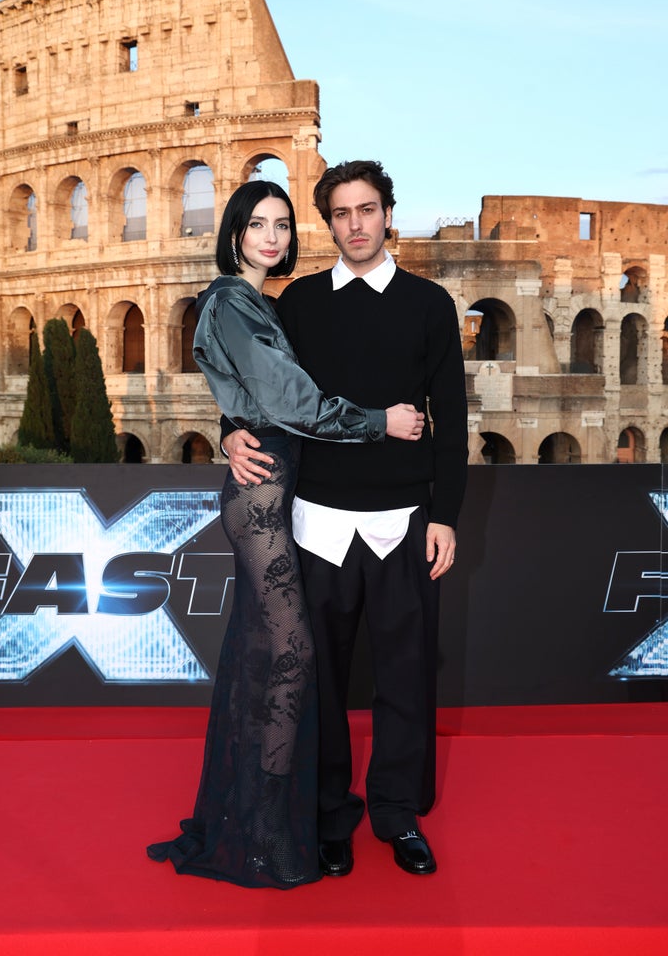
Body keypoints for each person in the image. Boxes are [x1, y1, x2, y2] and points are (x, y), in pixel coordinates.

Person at [147, 179, 424, 889]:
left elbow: (245, 396)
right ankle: (263, 836)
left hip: (278, 488)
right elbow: (286, 400)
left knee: (259, 660)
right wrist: (379, 421)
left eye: (281, 224)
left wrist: (228, 426)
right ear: (234, 231)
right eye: (256, 224)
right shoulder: (229, 301)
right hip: (264, 498)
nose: (270, 237)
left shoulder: (263, 303)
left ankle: (250, 821)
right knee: (292, 655)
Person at [223, 160, 468, 878]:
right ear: (327, 222)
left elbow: (449, 418)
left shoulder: (429, 305)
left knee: (406, 674)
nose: (355, 224)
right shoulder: (297, 304)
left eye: (367, 209)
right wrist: (232, 430)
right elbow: (258, 385)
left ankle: (396, 815)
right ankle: (330, 815)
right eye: (341, 213)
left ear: (388, 214)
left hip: (404, 520)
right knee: (319, 680)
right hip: (317, 520)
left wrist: (445, 514)